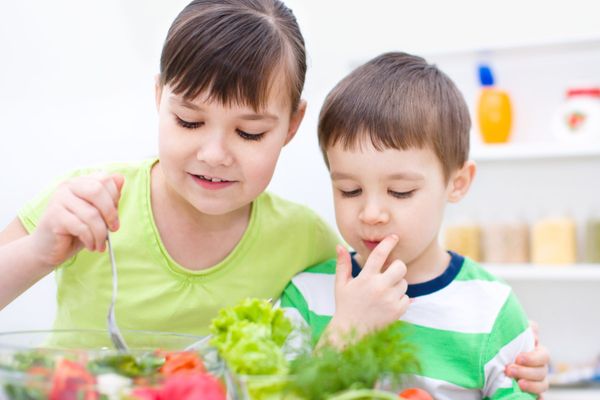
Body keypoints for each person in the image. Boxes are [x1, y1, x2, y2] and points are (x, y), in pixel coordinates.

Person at [0, 0, 547, 392]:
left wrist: (516, 367)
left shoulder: (308, 243)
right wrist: (37, 251)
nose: (214, 153)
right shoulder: (88, 200)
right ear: (158, 98)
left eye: (249, 133)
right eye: (189, 120)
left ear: (291, 125)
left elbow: (348, 346)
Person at [280, 52, 548, 398]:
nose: (371, 213)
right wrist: (344, 332)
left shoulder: (491, 309)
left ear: (458, 183)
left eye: (400, 191)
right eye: (350, 190)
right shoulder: (306, 295)